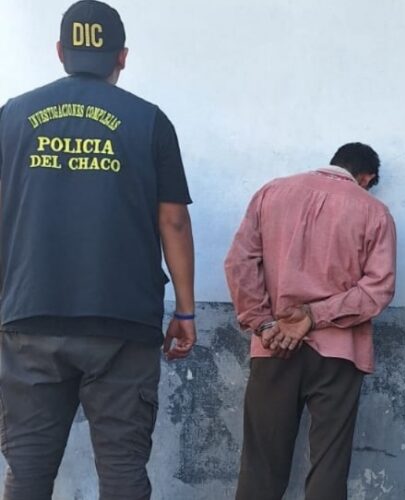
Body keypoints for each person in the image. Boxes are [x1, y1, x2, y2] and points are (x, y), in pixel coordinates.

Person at [0, 1, 196, 498]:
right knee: (123, 470)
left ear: (60, 51)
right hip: (122, 321)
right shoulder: (150, 121)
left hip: (29, 316)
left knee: (27, 469)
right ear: (122, 56)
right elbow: (173, 220)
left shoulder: (11, 117)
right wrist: (186, 312)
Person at [224, 142, 397, 500]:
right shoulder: (374, 211)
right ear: (367, 178)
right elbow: (377, 290)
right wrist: (314, 316)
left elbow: (240, 263)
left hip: (273, 346)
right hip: (338, 353)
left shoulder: (271, 193)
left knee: (260, 465)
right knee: (329, 464)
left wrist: (265, 324)